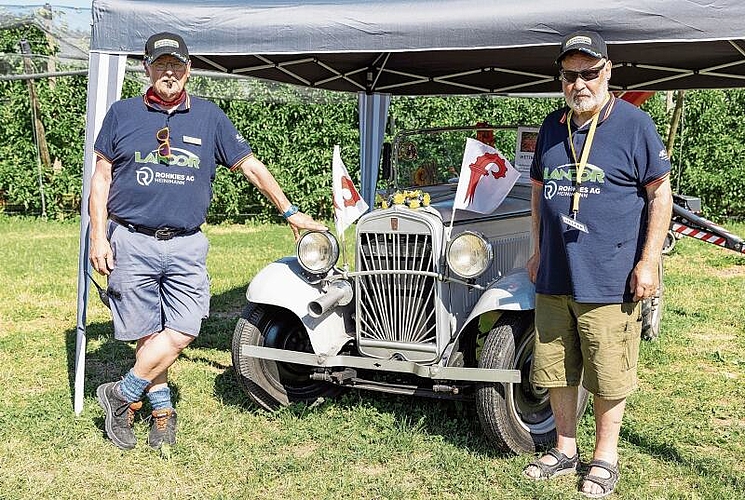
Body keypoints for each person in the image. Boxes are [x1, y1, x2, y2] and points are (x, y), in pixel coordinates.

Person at [89, 32, 327, 451]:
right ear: (145, 68)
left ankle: (122, 394)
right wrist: (97, 236)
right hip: (130, 240)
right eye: (160, 64)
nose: (169, 72)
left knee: (184, 328)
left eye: (176, 65)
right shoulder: (121, 114)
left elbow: (251, 166)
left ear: (188, 69)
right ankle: (162, 412)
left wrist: (290, 212)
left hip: (186, 244)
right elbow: (101, 178)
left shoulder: (210, 117)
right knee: (147, 333)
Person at [523, 30, 672, 498]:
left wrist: (648, 262)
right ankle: (565, 448)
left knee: (607, 370)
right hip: (556, 273)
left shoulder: (633, 124)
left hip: (610, 275)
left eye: (590, 73)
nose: (580, 83)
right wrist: (537, 249)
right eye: (571, 75)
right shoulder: (551, 126)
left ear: (608, 72)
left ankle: (605, 458)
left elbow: (659, 193)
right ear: (561, 79)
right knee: (556, 366)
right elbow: (535, 190)